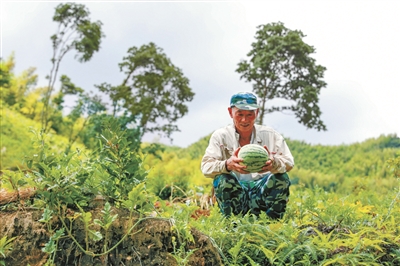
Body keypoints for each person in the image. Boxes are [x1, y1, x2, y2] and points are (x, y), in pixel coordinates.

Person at [201, 92, 294, 219]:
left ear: (257, 113)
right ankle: (231, 224)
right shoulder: (220, 136)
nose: (244, 120)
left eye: (249, 115)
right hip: (237, 194)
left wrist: (275, 163)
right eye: (240, 114)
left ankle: (271, 225)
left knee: (281, 178)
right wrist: (227, 165)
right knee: (222, 179)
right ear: (230, 112)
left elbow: (289, 162)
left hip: (262, 193)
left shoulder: (271, 135)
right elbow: (206, 167)